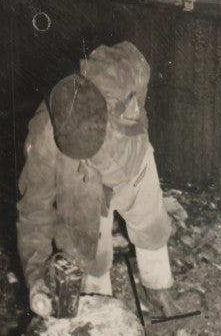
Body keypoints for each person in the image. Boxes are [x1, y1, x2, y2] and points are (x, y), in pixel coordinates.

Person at [17, 40, 177, 318]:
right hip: (83, 189)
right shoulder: (43, 141)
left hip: (134, 165)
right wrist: (36, 278)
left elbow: (141, 67)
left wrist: (140, 115)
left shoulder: (116, 70)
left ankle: (158, 288)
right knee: (89, 254)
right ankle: (99, 305)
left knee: (151, 225)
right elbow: (34, 215)